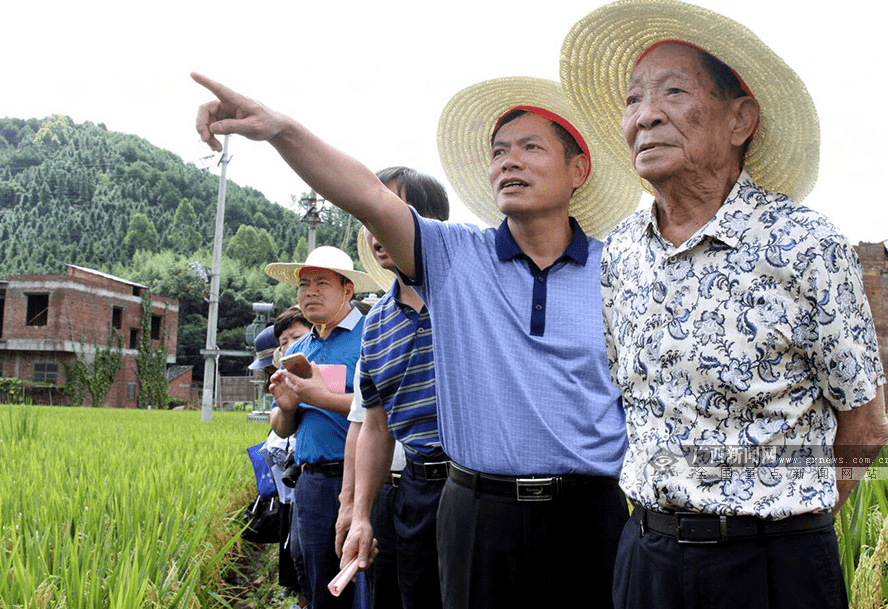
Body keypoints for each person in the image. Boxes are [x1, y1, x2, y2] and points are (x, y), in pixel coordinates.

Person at [193, 71, 641, 608]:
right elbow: (367, 195)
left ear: (578, 169)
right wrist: (280, 129)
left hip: (588, 514)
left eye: (530, 147)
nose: (509, 161)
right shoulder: (456, 258)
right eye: (499, 151)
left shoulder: (619, 269)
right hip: (479, 512)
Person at [559, 1, 888, 607]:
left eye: (673, 92)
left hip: (773, 566)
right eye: (633, 100)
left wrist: (790, 519)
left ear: (741, 120)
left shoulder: (803, 244)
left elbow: (863, 426)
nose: (646, 116)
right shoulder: (622, 251)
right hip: (648, 557)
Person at [338, 166, 450, 609]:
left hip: (480, 492)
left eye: (385, 213)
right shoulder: (377, 324)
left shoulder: (472, 294)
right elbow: (376, 426)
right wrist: (360, 512)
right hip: (416, 494)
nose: (374, 231)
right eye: (367, 220)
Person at [265, 246, 377, 609]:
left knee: (371, 583)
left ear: (348, 289)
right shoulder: (299, 348)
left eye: (321, 283)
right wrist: (287, 406)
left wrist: (319, 395)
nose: (310, 292)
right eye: (304, 285)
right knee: (321, 586)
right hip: (312, 482)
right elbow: (282, 429)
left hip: (364, 478)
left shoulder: (371, 336)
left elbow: (381, 410)